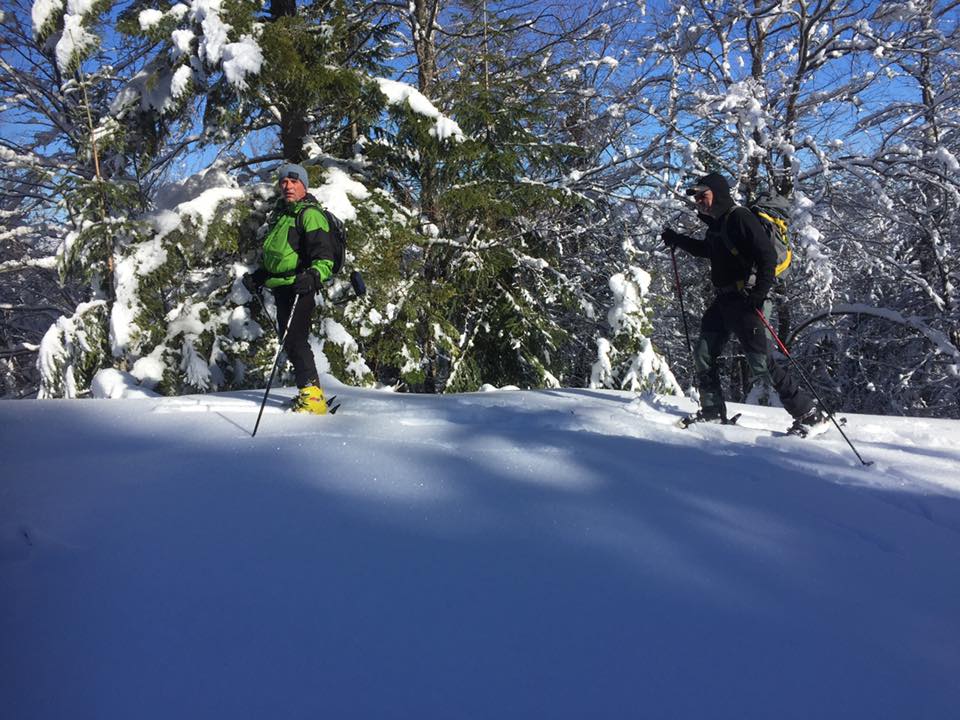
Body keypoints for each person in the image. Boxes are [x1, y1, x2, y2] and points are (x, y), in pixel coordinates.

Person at [661, 172, 828, 435]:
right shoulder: (718, 224)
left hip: (747, 299)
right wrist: (677, 239)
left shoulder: (740, 217)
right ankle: (713, 411)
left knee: (761, 361)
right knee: (704, 353)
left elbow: (767, 257)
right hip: (725, 300)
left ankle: (809, 414)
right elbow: (709, 251)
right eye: (697, 197)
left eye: (704, 195)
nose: (700, 202)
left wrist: (759, 295)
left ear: (718, 193)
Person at [243, 163, 336, 415]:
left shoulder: (309, 214)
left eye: (294, 182)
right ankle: (311, 392)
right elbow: (277, 257)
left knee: (295, 339)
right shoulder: (281, 215)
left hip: (300, 287)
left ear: (304, 185)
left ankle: (312, 399)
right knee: (290, 340)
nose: (288, 186)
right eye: (284, 182)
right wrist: (260, 276)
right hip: (282, 286)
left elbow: (325, 258)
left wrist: (314, 275)